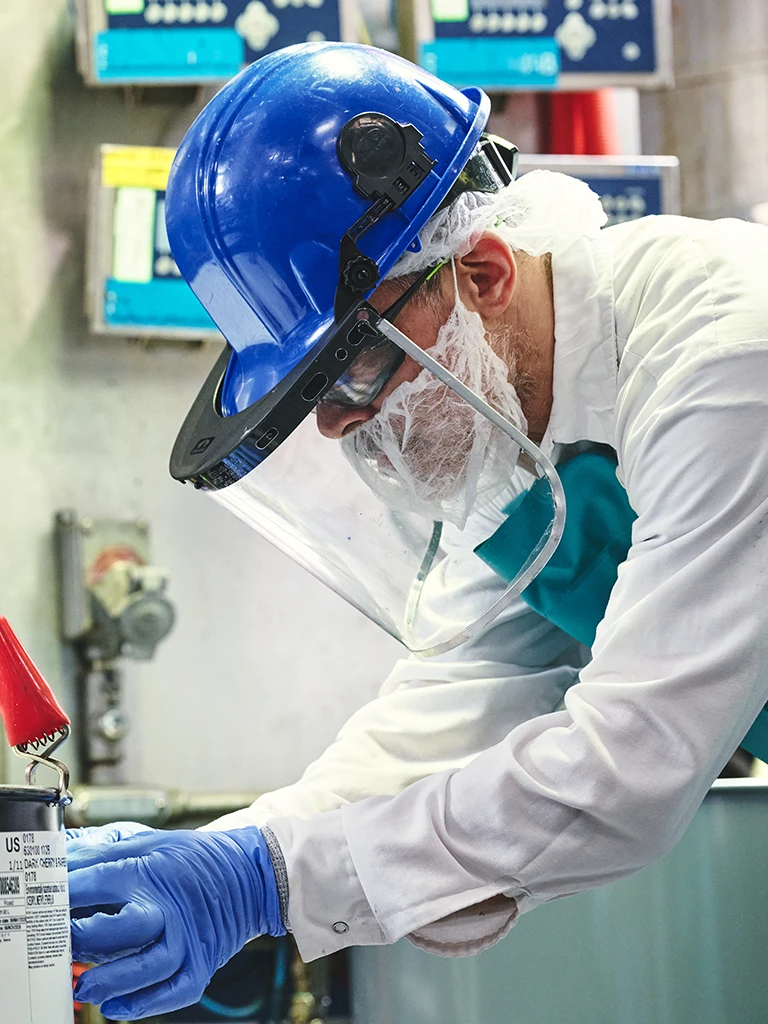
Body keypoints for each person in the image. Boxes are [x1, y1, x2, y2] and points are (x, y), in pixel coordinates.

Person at [66, 41, 768, 1021]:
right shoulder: (511, 423)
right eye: (309, 395)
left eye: (353, 371)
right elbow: (449, 713)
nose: (338, 427)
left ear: (480, 272)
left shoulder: (728, 359)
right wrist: (222, 854)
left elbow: (628, 768)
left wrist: (265, 882)